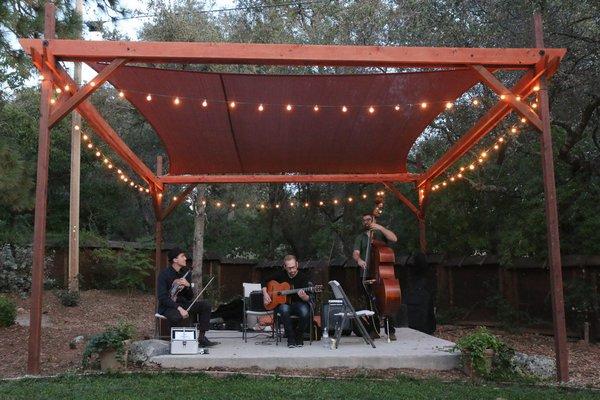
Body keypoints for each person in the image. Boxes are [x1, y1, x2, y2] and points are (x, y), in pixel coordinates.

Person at [157, 247, 218, 347]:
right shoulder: (164, 275)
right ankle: (176, 341)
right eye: (182, 256)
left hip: (183, 304)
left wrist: (188, 286)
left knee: (205, 305)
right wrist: (179, 308)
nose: (185, 258)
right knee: (176, 316)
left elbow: (190, 297)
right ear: (175, 260)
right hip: (168, 306)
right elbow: (162, 297)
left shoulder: (186, 274)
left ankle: (201, 337)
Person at [352, 213, 398, 340]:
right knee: (370, 303)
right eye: (364, 220)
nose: (366, 221)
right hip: (366, 274)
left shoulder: (381, 234)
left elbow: (394, 239)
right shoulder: (360, 237)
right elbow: (355, 253)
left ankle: (391, 331)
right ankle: (374, 330)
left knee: (386, 299)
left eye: (368, 219)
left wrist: (380, 227)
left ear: (374, 220)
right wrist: (359, 260)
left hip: (381, 274)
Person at [262, 255, 312, 348]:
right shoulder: (281, 275)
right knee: (284, 310)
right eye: (289, 268)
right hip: (284, 304)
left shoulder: (303, 277)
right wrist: (265, 294)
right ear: (285, 267)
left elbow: (308, 298)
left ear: (297, 264)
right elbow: (264, 280)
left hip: (299, 303)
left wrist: (304, 296)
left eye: (293, 267)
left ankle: (299, 335)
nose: (292, 270)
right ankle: (290, 338)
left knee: (305, 312)